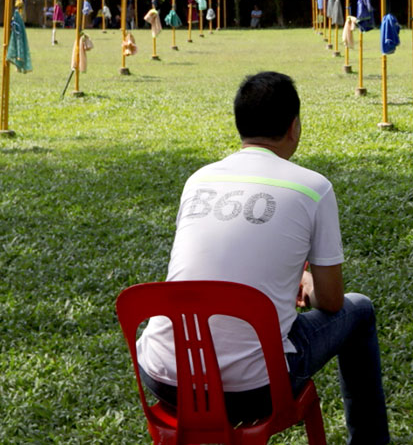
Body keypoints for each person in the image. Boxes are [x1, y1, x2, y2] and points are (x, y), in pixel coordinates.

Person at [135, 72, 389, 444]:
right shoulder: (313, 188)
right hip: (254, 389)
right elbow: (333, 301)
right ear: (294, 127)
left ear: (240, 125)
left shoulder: (199, 180)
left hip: (164, 378)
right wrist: (307, 287)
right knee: (360, 309)